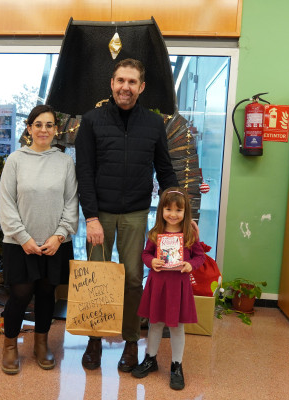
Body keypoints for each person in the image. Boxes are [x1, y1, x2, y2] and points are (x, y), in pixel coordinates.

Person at [75, 58, 179, 372]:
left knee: (134, 279)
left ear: (141, 87)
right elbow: (84, 171)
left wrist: (179, 217)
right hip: (100, 215)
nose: (126, 87)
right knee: (97, 279)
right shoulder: (92, 121)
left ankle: (131, 340)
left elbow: (165, 170)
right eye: (121, 80)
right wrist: (91, 217)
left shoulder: (153, 123)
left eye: (132, 82)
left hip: (136, 213)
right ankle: (94, 339)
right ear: (112, 83)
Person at [0, 104, 79, 375]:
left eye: (49, 125)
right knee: (20, 294)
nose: (44, 130)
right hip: (20, 244)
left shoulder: (65, 162)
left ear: (56, 130)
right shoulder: (15, 160)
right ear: (29, 128)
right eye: (39, 124)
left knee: (47, 293)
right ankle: (10, 346)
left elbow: (71, 202)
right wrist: (23, 238)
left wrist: (60, 235)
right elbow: (7, 203)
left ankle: (41, 343)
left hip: (55, 243)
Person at [131, 187, 204, 390]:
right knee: (155, 324)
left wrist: (191, 265)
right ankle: (150, 359)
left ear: (185, 212)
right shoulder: (155, 233)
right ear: (161, 209)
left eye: (178, 210)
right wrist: (151, 261)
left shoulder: (189, 235)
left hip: (178, 287)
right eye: (168, 209)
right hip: (158, 285)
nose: (173, 214)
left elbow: (200, 257)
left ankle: (176, 365)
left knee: (177, 327)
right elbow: (145, 254)